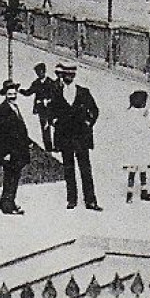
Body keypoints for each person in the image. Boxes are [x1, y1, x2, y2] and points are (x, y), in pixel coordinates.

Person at [49, 62, 102, 211]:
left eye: (71, 75)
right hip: (65, 136)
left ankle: (90, 200)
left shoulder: (84, 92)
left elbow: (94, 110)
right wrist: (54, 121)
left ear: (74, 76)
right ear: (63, 76)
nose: (68, 77)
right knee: (68, 168)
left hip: (81, 137)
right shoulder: (57, 93)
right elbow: (50, 111)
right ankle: (71, 199)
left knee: (85, 168)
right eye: (66, 75)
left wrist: (88, 122)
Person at [0, 80, 30, 215]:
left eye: (14, 94)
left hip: (18, 150)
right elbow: (0, 135)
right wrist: (5, 152)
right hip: (10, 152)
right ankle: (7, 205)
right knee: (10, 178)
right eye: (10, 94)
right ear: (5, 95)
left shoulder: (14, 107)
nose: (13, 96)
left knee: (15, 177)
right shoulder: (1, 111)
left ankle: (9, 202)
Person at [18, 61, 61, 151]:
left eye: (40, 72)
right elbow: (28, 92)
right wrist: (19, 90)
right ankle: (48, 148)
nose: (38, 74)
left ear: (44, 71)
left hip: (51, 109)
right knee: (45, 128)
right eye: (37, 73)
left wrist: (48, 100)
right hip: (41, 109)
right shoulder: (36, 83)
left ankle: (57, 146)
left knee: (56, 125)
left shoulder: (50, 82)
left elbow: (56, 96)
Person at [123, 90, 150, 203]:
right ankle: (129, 193)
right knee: (133, 171)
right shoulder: (133, 113)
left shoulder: (141, 112)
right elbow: (140, 128)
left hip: (141, 147)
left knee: (142, 170)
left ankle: (144, 191)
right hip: (135, 147)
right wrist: (146, 119)